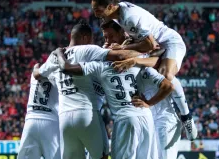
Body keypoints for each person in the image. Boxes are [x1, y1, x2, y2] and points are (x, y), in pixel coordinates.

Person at [33, 20, 142, 159]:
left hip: (64, 117)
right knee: (101, 156)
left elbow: (37, 74)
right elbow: (120, 56)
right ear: (85, 38)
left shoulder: (54, 56)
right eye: (91, 39)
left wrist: (35, 67)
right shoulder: (87, 50)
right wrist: (142, 50)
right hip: (87, 114)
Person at [54, 53, 175, 159]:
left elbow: (68, 68)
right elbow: (168, 85)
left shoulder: (100, 66)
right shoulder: (138, 63)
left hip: (125, 118)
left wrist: (59, 53)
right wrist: (149, 103)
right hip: (146, 118)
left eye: (109, 38)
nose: (107, 43)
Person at [100, 19, 197, 140]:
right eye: (105, 37)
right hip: (140, 112)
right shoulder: (107, 49)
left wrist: (135, 60)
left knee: (167, 75)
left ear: (121, 32)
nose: (108, 40)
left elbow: (157, 60)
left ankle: (186, 116)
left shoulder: (136, 40)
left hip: (160, 109)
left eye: (111, 36)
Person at [17, 63, 60, 159]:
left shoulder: (34, 74)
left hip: (31, 120)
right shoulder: (59, 77)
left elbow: (37, 68)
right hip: (51, 121)